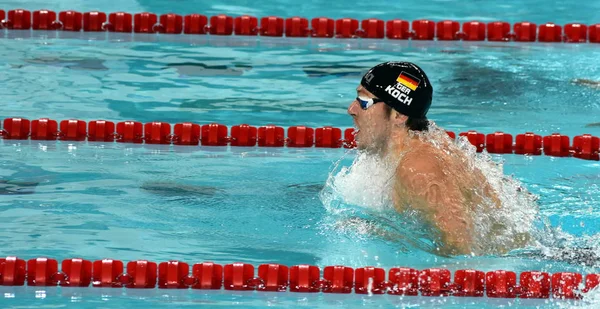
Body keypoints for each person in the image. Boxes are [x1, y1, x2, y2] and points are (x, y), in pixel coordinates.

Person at [347, 61, 530, 256]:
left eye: (364, 101)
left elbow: (463, 250)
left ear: (399, 115)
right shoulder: (426, 145)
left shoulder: (417, 167)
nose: (351, 109)